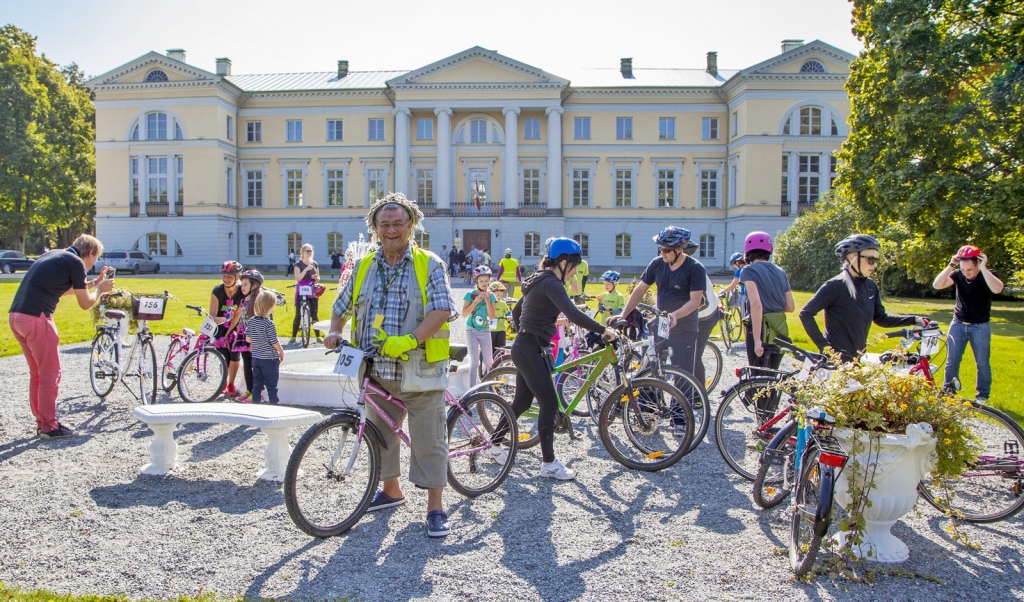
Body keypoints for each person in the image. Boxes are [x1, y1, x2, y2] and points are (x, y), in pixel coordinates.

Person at [324, 192, 458, 538]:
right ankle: (392, 491)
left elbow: (442, 309)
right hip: (377, 371)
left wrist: (411, 339)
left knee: (429, 438)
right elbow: (341, 305)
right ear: (375, 228)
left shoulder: (429, 263)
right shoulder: (365, 264)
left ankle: (435, 507)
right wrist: (335, 331)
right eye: (385, 224)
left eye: (398, 223)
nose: (392, 230)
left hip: (420, 371)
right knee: (381, 434)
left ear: (411, 225)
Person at [498, 238, 617, 480]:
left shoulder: (538, 279)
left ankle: (493, 443)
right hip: (530, 348)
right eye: (573, 266)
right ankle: (549, 463)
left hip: (526, 346)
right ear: (563, 262)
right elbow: (572, 313)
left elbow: (517, 312)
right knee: (549, 403)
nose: (574, 272)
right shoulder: (551, 283)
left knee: (521, 402)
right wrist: (604, 330)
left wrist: (529, 329)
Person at [9, 234, 115, 438]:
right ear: (90, 253)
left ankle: (42, 421)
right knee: (51, 373)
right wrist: (101, 289)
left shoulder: (56, 255)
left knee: (37, 372)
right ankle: (49, 426)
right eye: (96, 258)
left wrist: (93, 283)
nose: (94, 263)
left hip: (17, 316)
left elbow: (62, 289)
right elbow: (85, 304)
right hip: (37, 318)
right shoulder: (76, 262)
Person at [799, 234, 924, 363]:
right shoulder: (835, 286)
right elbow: (805, 314)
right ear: (852, 257)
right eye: (870, 259)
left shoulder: (870, 286)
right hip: (835, 362)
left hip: (858, 359)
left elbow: (881, 319)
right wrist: (825, 348)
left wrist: (914, 319)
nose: (874, 265)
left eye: (876, 260)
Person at [616, 227, 706, 381]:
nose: (662, 253)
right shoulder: (657, 263)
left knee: (682, 374)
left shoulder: (695, 268)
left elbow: (695, 301)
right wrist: (623, 314)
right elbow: (640, 290)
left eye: (666, 250)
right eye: (660, 249)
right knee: (648, 368)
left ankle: (681, 405)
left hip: (684, 327)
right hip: (659, 324)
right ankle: (647, 403)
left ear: (679, 249)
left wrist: (675, 315)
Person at [932, 244, 1003, 401]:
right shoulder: (957, 275)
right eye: (963, 270)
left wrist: (983, 268)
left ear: (977, 263)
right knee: (952, 361)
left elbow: (997, 289)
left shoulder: (988, 274)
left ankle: (982, 396)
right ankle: (948, 392)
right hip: (957, 324)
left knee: (982, 363)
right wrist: (951, 265)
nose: (966, 273)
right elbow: (937, 285)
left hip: (980, 326)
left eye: (969, 270)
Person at [739, 232, 795, 370]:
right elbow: (790, 307)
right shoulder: (781, 271)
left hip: (760, 330)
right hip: (779, 331)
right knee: (772, 378)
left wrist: (757, 341)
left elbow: (756, 305)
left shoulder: (748, 271)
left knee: (757, 378)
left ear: (748, 252)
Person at [682, 241, 722, 386]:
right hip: (697, 314)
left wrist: (679, 315)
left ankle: (699, 396)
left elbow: (701, 302)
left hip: (706, 316)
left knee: (694, 355)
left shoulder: (693, 269)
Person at [228, 269, 265, 402]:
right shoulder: (243, 301)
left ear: (254, 286)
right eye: (242, 284)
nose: (242, 287)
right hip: (244, 337)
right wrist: (237, 336)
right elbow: (240, 322)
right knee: (247, 365)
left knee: (255, 366)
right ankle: (249, 390)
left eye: (245, 284)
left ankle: (257, 393)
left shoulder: (257, 302)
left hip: (254, 338)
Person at [212, 261, 245, 398]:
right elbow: (213, 316)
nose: (226, 279)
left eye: (229, 277)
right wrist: (224, 320)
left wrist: (231, 330)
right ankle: (224, 381)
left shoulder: (241, 291)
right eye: (224, 276)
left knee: (235, 355)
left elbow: (238, 314)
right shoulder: (217, 291)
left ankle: (231, 383)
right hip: (220, 325)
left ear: (237, 277)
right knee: (223, 356)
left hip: (236, 326)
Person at [246, 289, 284, 405]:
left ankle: (256, 405)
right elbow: (273, 341)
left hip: (256, 358)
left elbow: (248, 339)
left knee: (257, 385)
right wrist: (281, 351)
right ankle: (273, 405)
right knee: (271, 386)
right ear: (271, 307)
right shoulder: (269, 324)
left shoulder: (251, 321)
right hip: (269, 359)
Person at [463, 266, 496, 386]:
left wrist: (487, 300)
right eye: (481, 281)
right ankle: (472, 390)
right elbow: (464, 313)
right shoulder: (470, 294)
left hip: (485, 331)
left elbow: (492, 316)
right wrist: (475, 302)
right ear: (476, 281)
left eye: (486, 281)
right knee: (474, 362)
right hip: (471, 331)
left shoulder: (491, 296)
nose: (484, 283)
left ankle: (490, 387)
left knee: (489, 362)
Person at [290, 244, 323, 344]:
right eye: (307, 251)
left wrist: (316, 278)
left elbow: (318, 278)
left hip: (312, 288)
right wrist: (306, 269)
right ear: (302, 252)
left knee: (314, 314)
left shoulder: (315, 264)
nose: (309, 253)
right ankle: (293, 337)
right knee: (298, 314)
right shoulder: (298, 264)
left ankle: (318, 336)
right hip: (302, 288)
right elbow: (298, 278)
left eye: (310, 251)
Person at [489, 281, 509, 349]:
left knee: (501, 347)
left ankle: (500, 359)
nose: (499, 297)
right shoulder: (487, 303)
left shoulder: (502, 304)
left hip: (501, 329)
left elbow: (508, 312)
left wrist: (509, 316)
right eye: (497, 295)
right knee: (490, 347)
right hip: (490, 330)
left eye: (501, 295)